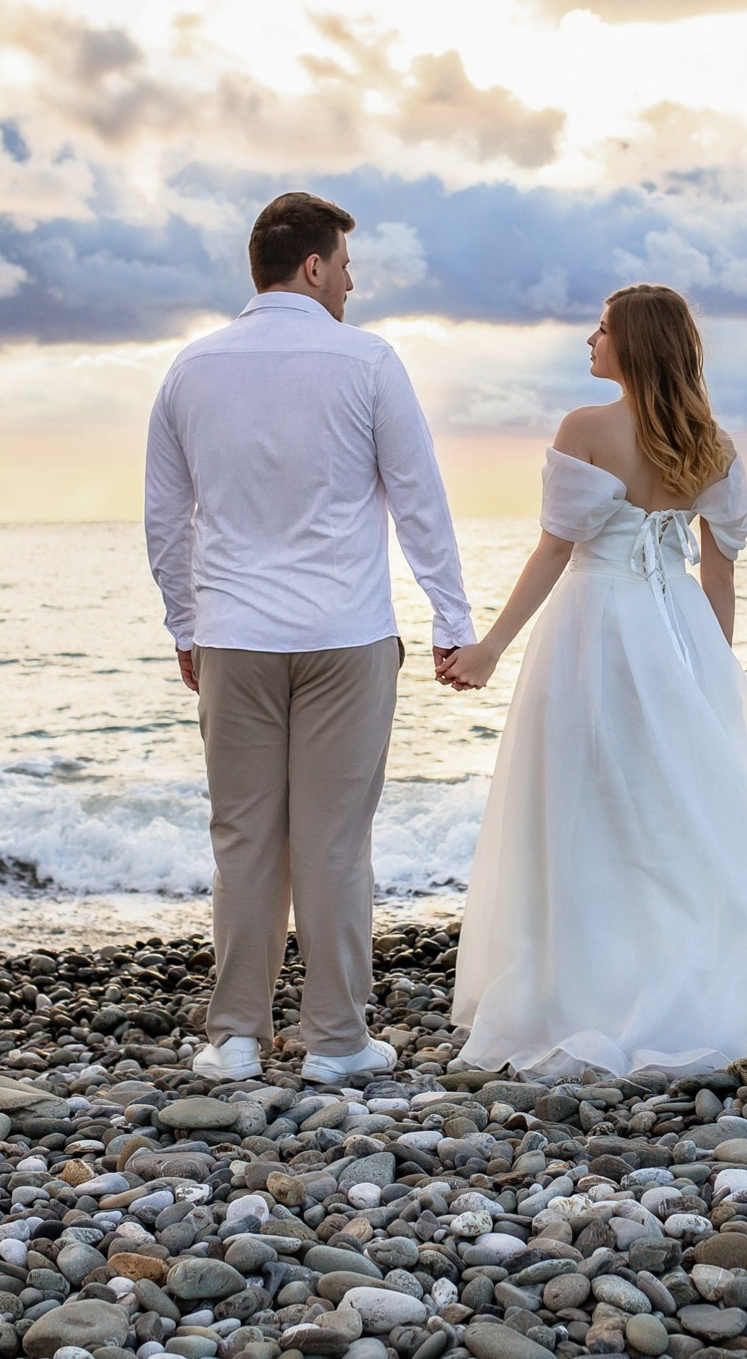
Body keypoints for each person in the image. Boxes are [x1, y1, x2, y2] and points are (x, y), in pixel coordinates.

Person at [438, 283, 747, 1076]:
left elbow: (553, 552)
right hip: (677, 627)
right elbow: (719, 573)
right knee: (674, 803)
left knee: (586, 798)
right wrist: (713, 676)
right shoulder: (711, 440)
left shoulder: (585, 428)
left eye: (603, 329)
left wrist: (490, 648)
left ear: (634, 344)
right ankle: (686, 964)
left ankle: (589, 981)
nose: (589, 340)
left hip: (594, 626)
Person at [144, 191, 475, 1085]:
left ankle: (238, 1036)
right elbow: (418, 499)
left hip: (235, 636)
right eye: (346, 266)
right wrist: (452, 619)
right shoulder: (367, 360)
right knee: (333, 838)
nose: (352, 283)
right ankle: (334, 1039)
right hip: (346, 634)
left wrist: (185, 624)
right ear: (315, 265)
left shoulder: (190, 368)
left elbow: (165, 518)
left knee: (244, 835)